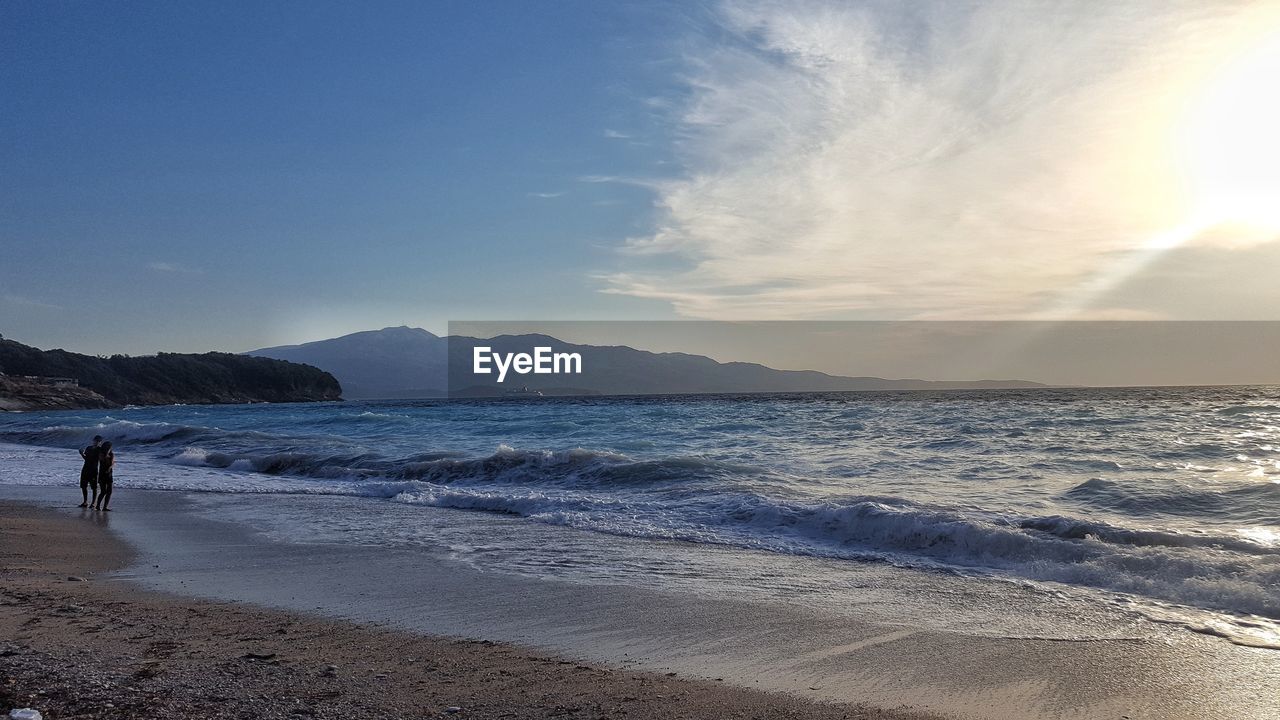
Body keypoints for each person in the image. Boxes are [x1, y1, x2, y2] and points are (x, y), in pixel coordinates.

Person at [77, 435, 102, 508]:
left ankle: (93, 503)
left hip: (94, 469)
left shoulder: (99, 449)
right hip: (85, 468)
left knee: (94, 487)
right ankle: (85, 502)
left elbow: (100, 459)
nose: (96, 442)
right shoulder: (89, 448)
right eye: (95, 441)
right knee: (83, 486)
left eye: (98, 441)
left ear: (100, 442)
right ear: (93, 441)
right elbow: (86, 458)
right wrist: (81, 454)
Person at [93, 441, 115, 511]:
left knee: (109, 491)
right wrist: (107, 452)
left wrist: (109, 468)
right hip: (102, 474)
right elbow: (103, 460)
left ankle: (105, 506)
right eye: (110, 447)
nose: (111, 448)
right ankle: (98, 505)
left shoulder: (111, 454)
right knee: (103, 491)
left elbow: (112, 463)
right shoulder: (101, 454)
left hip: (109, 474)